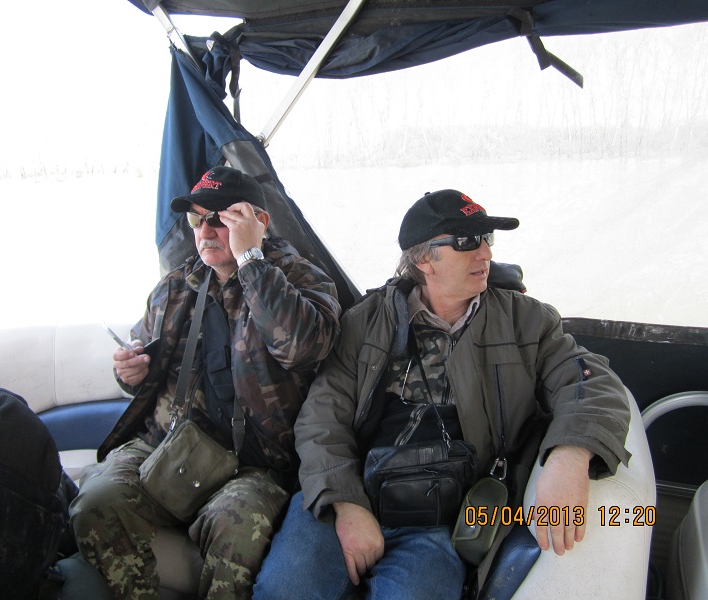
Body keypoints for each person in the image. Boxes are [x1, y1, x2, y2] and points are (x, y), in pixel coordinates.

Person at [253, 189, 632, 599]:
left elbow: (591, 380)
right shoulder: (364, 323)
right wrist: (347, 505)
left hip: (443, 520)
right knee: (284, 590)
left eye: (487, 238)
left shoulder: (526, 322)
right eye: (467, 241)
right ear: (423, 260)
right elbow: (321, 419)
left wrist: (570, 455)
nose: (485, 253)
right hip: (352, 490)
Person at [70, 166, 342, 600]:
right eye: (197, 219)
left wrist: (251, 260)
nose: (205, 231)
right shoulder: (175, 287)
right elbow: (141, 353)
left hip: (254, 464)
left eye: (220, 219)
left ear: (258, 222)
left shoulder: (301, 278)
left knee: (237, 529)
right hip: (165, 445)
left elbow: (302, 347)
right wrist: (129, 372)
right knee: (96, 502)